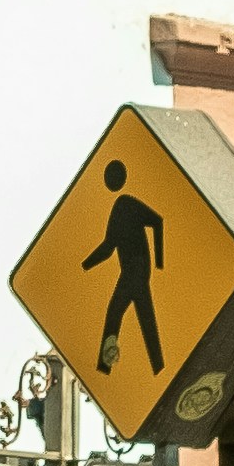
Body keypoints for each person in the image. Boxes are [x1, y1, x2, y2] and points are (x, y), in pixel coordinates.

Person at [83, 157, 168, 386]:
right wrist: (85, 265)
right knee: (145, 320)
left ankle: (104, 369)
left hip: (136, 270)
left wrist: (160, 262)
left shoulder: (126, 204)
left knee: (115, 313)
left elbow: (157, 221)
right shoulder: (118, 207)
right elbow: (108, 247)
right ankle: (159, 368)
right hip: (133, 270)